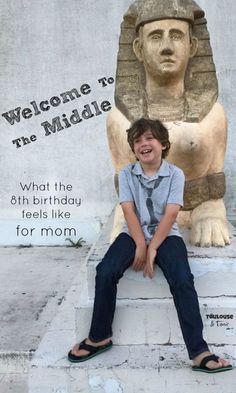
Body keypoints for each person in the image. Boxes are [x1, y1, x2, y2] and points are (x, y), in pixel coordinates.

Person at [68, 118, 232, 373]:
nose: (143, 144)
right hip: (133, 233)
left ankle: (199, 351)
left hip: (166, 235)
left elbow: (170, 214)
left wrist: (153, 247)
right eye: (137, 141)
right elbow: (128, 210)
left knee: (182, 278)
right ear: (134, 149)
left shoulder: (175, 174)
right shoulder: (127, 174)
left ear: (163, 144)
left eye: (148, 138)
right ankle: (99, 336)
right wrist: (140, 245)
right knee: (105, 271)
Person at [107, 0, 230, 247]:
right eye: (155, 37)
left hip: (198, 204)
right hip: (140, 208)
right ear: (138, 49)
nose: (166, 48)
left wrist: (210, 209)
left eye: (176, 36)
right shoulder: (118, 119)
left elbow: (214, 183)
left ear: (193, 46)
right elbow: (126, 186)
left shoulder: (214, 115)